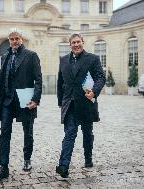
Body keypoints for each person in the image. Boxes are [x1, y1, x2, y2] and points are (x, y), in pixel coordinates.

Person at [0, 28, 42, 180]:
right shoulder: (6, 56)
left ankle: (27, 159)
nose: (14, 41)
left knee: (27, 132)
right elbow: (3, 81)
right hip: (8, 100)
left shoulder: (31, 55)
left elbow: (38, 80)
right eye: (12, 39)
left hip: (25, 98)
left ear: (22, 39)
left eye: (17, 38)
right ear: (9, 40)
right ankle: (3, 166)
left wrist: (35, 98)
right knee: (4, 132)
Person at [56, 33, 106, 178]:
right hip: (69, 103)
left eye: (78, 42)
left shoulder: (93, 59)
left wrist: (94, 92)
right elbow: (61, 82)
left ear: (83, 42)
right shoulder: (63, 60)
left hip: (86, 102)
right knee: (70, 133)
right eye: (73, 42)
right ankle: (63, 166)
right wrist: (61, 102)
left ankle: (88, 158)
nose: (76, 45)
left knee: (87, 132)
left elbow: (100, 77)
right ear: (70, 44)